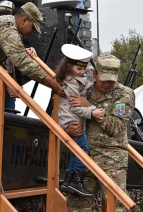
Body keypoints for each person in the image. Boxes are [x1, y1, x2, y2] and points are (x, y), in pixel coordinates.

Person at [64, 54, 135, 211]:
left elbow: (116, 126)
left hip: (111, 161)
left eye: (112, 80)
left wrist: (90, 107)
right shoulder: (84, 90)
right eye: (104, 79)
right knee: (77, 206)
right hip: (84, 159)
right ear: (94, 74)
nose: (107, 84)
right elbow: (64, 112)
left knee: (117, 207)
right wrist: (66, 130)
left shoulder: (124, 94)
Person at [56, 44, 105, 197]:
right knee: (82, 150)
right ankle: (75, 181)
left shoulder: (76, 80)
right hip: (72, 121)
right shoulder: (70, 84)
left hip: (74, 120)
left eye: (84, 69)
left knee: (78, 151)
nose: (83, 72)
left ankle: (69, 181)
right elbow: (75, 108)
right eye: (79, 69)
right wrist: (93, 112)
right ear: (69, 66)